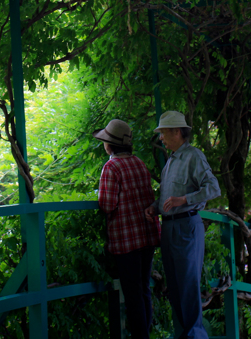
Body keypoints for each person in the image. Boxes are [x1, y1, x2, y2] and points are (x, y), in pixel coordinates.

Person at [143, 110, 221, 339]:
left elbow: (213, 188)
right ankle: (185, 335)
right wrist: (155, 207)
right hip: (168, 228)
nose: (161, 138)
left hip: (187, 226)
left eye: (164, 133)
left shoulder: (193, 156)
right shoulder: (171, 161)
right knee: (175, 289)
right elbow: (169, 194)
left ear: (177, 132)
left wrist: (184, 200)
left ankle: (196, 336)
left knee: (187, 286)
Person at [95, 119, 160, 339]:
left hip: (126, 240)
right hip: (147, 236)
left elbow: (107, 205)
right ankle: (145, 334)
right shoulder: (139, 163)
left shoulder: (111, 167)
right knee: (143, 290)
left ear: (109, 145)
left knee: (132, 295)